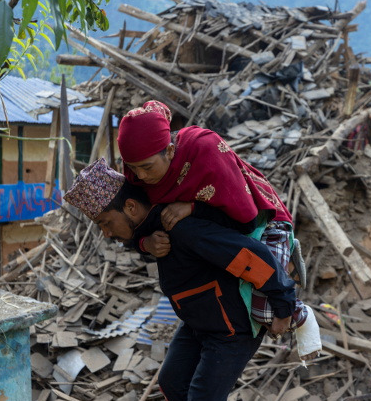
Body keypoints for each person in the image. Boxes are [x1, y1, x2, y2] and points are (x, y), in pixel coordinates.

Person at [64, 159, 321, 401]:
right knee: (172, 383)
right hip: (200, 322)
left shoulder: (183, 229)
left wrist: (285, 306)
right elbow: (136, 237)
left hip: (231, 329)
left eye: (105, 223)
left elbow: (252, 257)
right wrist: (144, 244)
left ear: (131, 207)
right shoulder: (150, 230)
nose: (106, 233)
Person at [116, 100, 307, 291]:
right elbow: (138, 225)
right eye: (133, 167)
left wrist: (192, 208)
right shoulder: (135, 176)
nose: (140, 175)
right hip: (213, 242)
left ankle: (287, 256)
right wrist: (145, 244)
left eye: (147, 167)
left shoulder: (204, 151)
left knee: (266, 310)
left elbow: (246, 220)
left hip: (261, 222)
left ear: (169, 151)